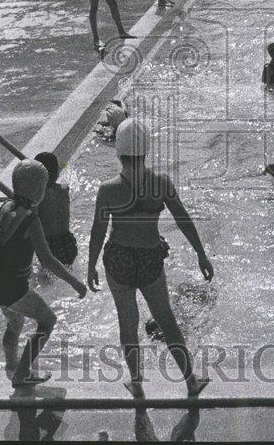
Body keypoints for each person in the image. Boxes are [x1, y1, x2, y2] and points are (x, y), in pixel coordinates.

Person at [87, 118, 213, 398]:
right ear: (146, 151)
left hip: (117, 258)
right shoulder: (161, 183)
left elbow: (98, 231)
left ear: (118, 152)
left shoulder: (108, 189)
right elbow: (183, 219)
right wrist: (201, 254)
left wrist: (90, 265)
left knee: (127, 322)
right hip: (149, 258)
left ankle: (137, 384)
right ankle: (191, 382)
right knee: (166, 320)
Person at [0, 159, 87, 387]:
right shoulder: (31, 219)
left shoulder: (4, 208)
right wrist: (75, 282)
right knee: (48, 321)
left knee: (14, 325)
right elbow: (47, 260)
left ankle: (11, 365)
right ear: (38, 191)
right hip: (14, 288)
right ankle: (22, 373)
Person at [33, 152, 77, 266]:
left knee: (48, 277)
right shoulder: (64, 188)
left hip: (49, 245)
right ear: (57, 172)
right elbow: (63, 166)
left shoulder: (38, 196)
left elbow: (33, 222)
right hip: (68, 241)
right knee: (68, 272)